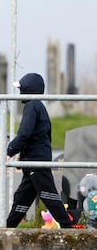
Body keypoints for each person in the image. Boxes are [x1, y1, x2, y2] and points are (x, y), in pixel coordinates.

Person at [6, 72, 74, 228]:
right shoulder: (38, 106)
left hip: (36, 161)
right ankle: (7, 228)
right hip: (33, 160)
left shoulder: (31, 106)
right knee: (22, 197)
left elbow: (25, 133)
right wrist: (23, 155)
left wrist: (10, 150)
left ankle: (68, 228)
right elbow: (35, 136)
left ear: (28, 90)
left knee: (48, 194)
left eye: (21, 89)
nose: (19, 93)